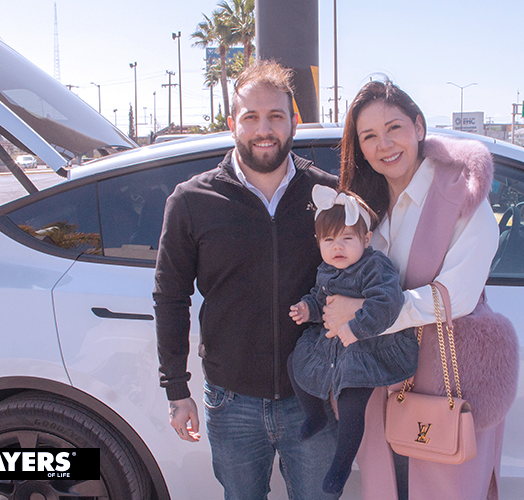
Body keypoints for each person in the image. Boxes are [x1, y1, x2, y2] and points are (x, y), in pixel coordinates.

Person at [153, 60, 341, 500]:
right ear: (231, 123)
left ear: (294, 121)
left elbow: (355, 279)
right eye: (251, 117)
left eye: (276, 116)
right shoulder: (192, 201)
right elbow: (170, 296)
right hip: (230, 401)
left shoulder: (328, 194)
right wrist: (176, 389)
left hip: (313, 398)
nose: (264, 129)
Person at [323, 78, 509, 500]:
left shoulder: (460, 193)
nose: (384, 144)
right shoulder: (362, 208)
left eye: (394, 128)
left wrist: (367, 315)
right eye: (369, 136)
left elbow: (458, 295)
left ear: (419, 127)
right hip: (380, 386)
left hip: (444, 386)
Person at [287, 184, 419, 494]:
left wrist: (356, 328)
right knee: (295, 361)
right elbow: (322, 300)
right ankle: (315, 414)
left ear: (366, 239)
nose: (338, 247)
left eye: (347, 238)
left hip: (368, 347)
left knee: (351, 401)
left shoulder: (374, 266)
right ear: (319, 242)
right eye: (329, 240)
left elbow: (387, 302)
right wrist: (308, 309)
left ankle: (342, 463)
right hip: (334, 344)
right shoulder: (326, 269)